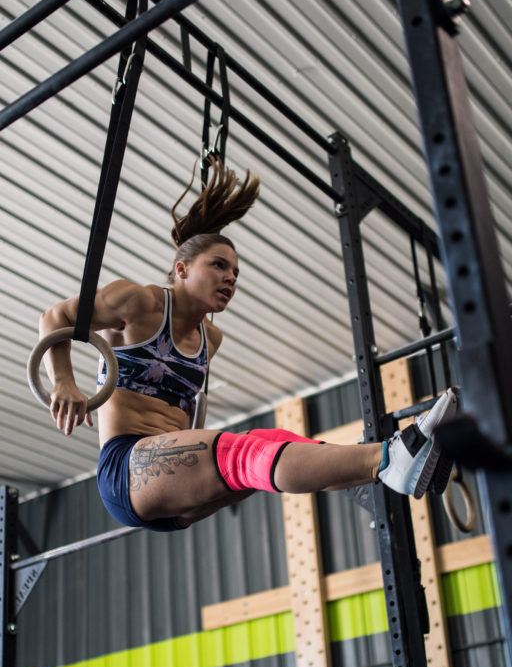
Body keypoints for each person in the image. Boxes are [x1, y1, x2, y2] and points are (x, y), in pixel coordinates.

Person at [39, 158, 458, 532]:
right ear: (181, 269)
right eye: (219, 266)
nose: (230, 279)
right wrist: (63, 381)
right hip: (127, 470)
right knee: (244, 451)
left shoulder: (211, 339)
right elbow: (55, 318)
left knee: (273, 440)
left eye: (236, 273)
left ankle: (393, 466)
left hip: (173, 491)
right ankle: (388, 458)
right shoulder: (140, 302)